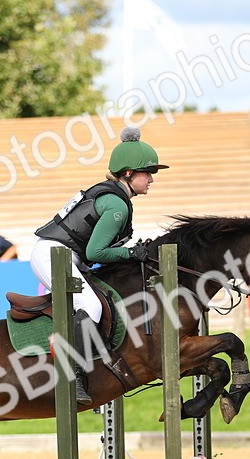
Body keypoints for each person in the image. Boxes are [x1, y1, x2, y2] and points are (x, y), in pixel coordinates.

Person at [30, 126, 168, 406]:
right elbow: (97, 251)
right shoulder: (116, 205)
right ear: (128, 173)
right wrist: (131, 253)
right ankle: (76, 377)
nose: (152, 178)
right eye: (148, 172)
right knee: (91, 307)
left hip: (65, 255)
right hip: (54, 255)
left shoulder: (113, 197)